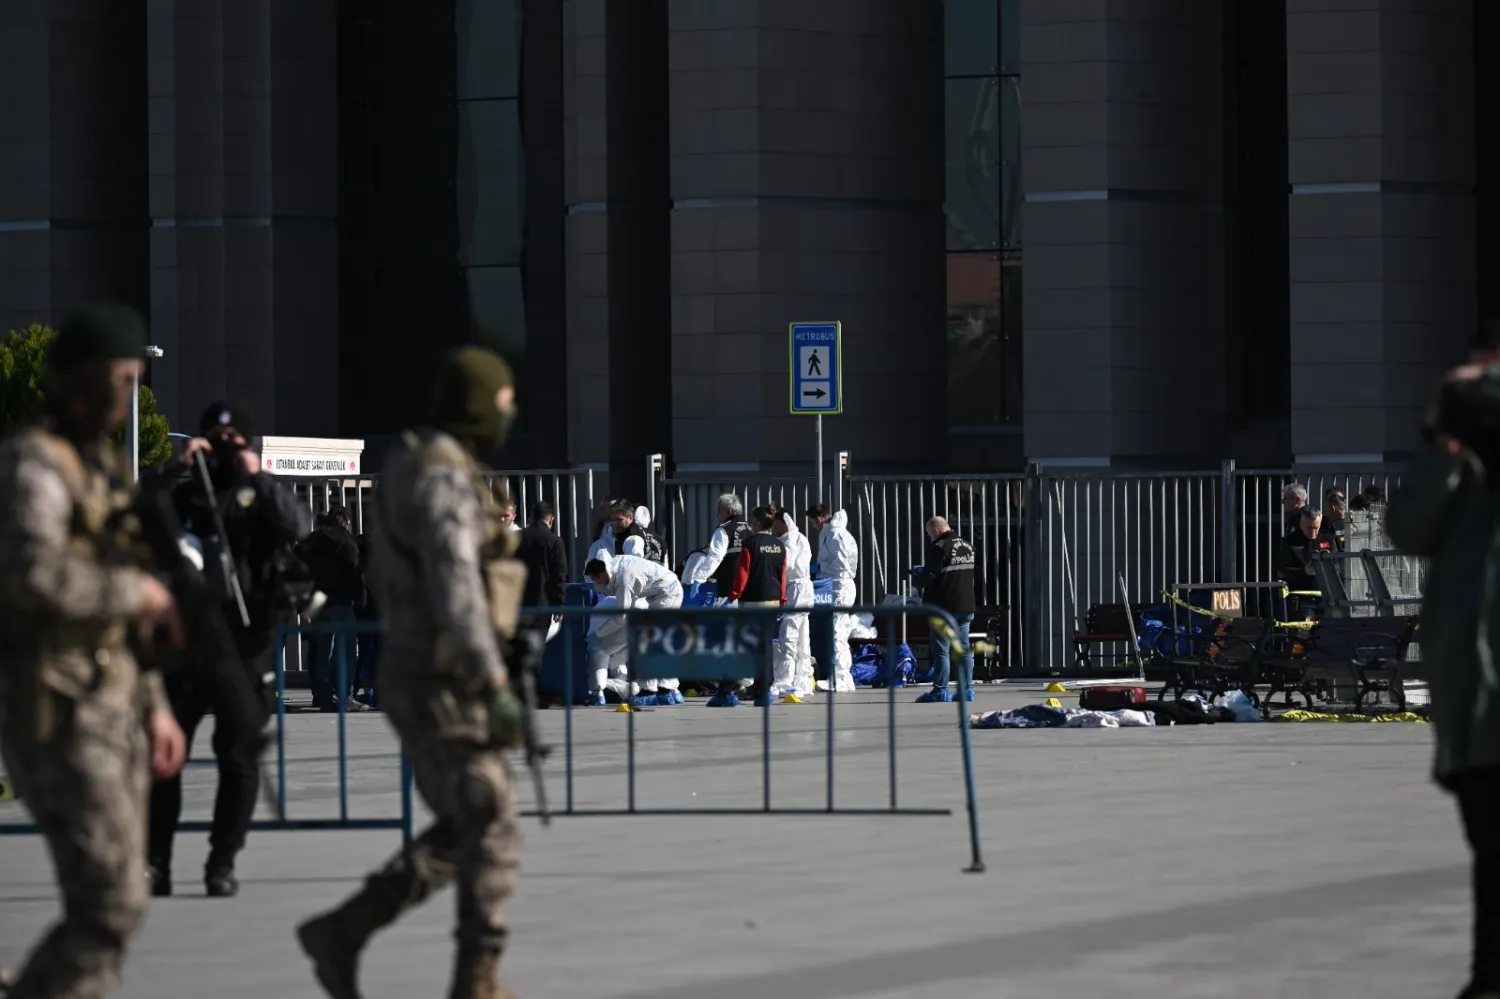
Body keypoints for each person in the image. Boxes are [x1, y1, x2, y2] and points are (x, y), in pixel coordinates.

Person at [297, 345, 529, 999]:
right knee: (490, 821)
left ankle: (347, 932)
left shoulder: (413, 460)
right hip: (443, 675)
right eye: (502, 403)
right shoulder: (444, 476)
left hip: (425, 668)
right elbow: (457, 584)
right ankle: (473, 975)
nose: (508, 415)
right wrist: (492, 680)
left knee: (474, 820)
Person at [0, 304, 188, 998]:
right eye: (116, 380)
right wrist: (134, 592)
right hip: (54, 705)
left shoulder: (106, 470)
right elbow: (32, 573)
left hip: (112, 704)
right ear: (75, 381)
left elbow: (130, 618)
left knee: (116, 901)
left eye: (133, 381)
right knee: (110, 900)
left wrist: (157, 705)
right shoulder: (34, 465)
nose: (121, 398)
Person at [147, 400, 312, 898]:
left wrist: (256, 474)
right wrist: (175, 467)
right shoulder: (184, 493)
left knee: (238, 757)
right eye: (214, 441)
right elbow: (135, 514)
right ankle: (155, 863)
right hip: (186, 644)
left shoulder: (259, 496)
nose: (221, 450)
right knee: (164, 757)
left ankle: (221, 861)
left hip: (246, 643)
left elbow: (297, 527)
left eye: (232, 441)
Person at [1387, 345, 1500, 999]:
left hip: (1478, 708)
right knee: (1491, 849)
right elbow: (1407, 529)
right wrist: (1440, 443)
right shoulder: (1460, 483)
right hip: (1475, 711)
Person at [585, 553, 685, 706]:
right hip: (661, 592)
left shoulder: (625, 580)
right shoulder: (616, 565)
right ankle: (669, 690)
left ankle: (649, 691)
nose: (597, 583)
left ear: (602, 572)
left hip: (665, 595)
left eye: (596, 579)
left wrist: (598, 633)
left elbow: (621, 617)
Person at [715, 506, 787, 707]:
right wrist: (782, 598)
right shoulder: (779, 545)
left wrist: (733, 595)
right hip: (773, 600)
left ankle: (726, 690)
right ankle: (763, 690)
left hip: (752, 601)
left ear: (756, 524)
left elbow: (743, 573)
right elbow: (782, 574)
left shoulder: (750, 544)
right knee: (765, 646)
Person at [297, 505, 365, 712]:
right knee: (346, 652)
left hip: (317, 600)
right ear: (346, 521)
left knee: (321, 651)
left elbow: (298, 568)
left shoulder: (311, 541)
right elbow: (355, 574)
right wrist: (361, 603)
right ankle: (345, 696)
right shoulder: (345, 541)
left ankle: (321, 695)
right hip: (340, 599)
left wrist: (303, 607)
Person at [913, 516, 977, 703]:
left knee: (942, 650)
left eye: (929, 534)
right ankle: (966, 690)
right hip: (965, 604)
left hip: (944, 607)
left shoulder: (940, 547)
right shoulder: (968, 546)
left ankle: (940, 690)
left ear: (936, 531)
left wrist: (919, 577)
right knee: (964, 649)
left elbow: (930, 575)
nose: (930, 538)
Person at [808, 503, 859, 692]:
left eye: (813, 522)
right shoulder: (832, 534)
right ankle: (844, 678)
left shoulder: (835, 535)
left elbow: (841, 565)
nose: (814, 527)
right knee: (839, 633)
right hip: (837, 585)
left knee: (838, 633)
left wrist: (818, 567)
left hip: (841, 586)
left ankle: (839, 679)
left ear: (820, 518)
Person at [771, 509, 815, 700]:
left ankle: (785, 680)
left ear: (782, 522)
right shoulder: (801, 537)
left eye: (775, 523)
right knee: (803, 635)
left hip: (795, 588)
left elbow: (786, 564)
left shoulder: (788, 539)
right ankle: (803, 679)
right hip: (806, 588)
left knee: (788, 633)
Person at [681, 493, 749, 600]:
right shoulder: (750, 527)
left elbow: (715, 556)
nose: (717, 514)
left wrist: (699, 578)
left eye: (719, 509)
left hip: (730, 586)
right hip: (749, 585)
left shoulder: (724, 530)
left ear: (728, 511)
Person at [1277, 507, 1333, 619]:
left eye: (1316, 528)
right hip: (1302, 597)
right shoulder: (1290, 541)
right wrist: (1304, 571)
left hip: (1327, 597)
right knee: (1304, 629)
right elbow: (1282, 571)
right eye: (1309, 528)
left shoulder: (1328, 538)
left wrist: (1325, 568)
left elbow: (1339, 564)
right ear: (1301, 524)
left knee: (1329, 629)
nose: (1313, 532)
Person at [516, 500, 568, 613]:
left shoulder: (516, 537)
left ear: (531, 518)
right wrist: (560, 603)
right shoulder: (555, 541)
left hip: (518, 603)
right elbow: (559, 575)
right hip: (544, 603)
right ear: (551, 519)